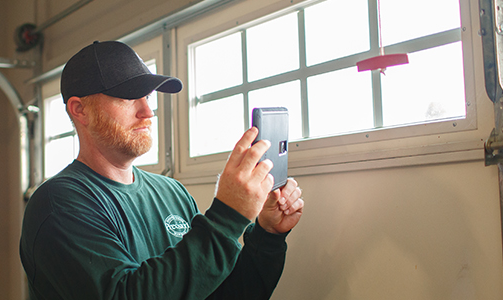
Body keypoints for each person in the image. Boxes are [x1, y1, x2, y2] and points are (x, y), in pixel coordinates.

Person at [19, 41, 306, 299]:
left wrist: (267, 236)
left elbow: (220, 293)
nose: (147, 111)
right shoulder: (57, 204)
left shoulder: (171, 191)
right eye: (129, 96)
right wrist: (228, 217)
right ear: (80, 110)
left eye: (148, 96)